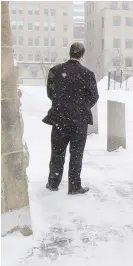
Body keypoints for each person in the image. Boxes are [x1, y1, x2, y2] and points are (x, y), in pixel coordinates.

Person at [42, 42, 99, 194]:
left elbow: (50, 93)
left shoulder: (56, 70)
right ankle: (74, 185)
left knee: (57, 152)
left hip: (60, 118)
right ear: (82, 55)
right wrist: (81, 107)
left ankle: (53, 182)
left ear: (70, 53)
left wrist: (62, 104)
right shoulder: (88, 74)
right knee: (76, 154)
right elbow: (94, 96)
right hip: (79, 122)